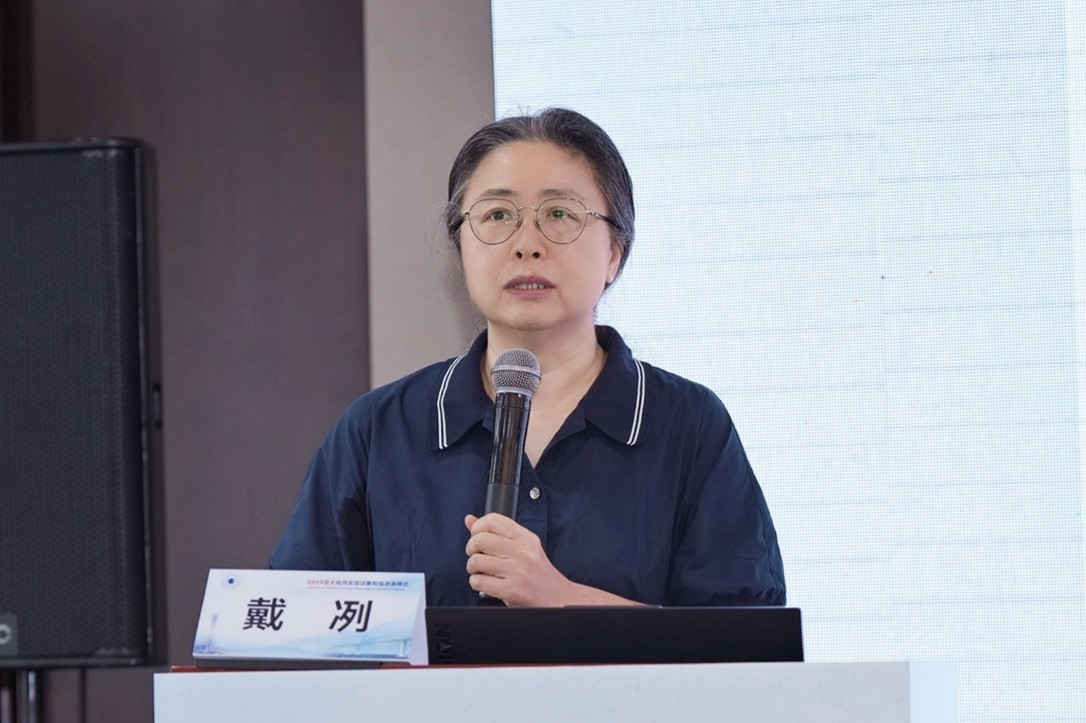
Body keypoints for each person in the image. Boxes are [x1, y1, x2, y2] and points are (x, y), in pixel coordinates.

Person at [269, 108, 785, 608]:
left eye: (559, 214)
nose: (526, 245)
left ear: (614, 253)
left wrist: (561, 599)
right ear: (461, 249)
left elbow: (746, 641)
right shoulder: (379, 431)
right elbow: (293, 628)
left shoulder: (688, 425)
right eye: (497, 215)